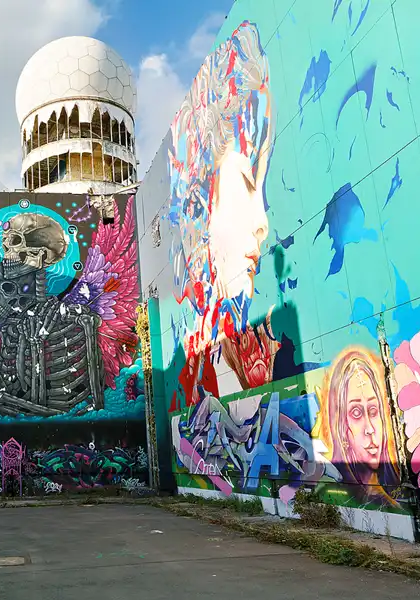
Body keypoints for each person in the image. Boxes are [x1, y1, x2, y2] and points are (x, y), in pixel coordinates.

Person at [167, 21, 275, 398]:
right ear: (200, 205)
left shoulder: (257, 336)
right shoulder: (198, 366)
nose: (262, 224)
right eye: (247, 184)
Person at [317, 348, 400, 506]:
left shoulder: (398, 494)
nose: (369, 429)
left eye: (373, 411)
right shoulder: (331, 490)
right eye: (356, 412)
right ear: (340, 425)